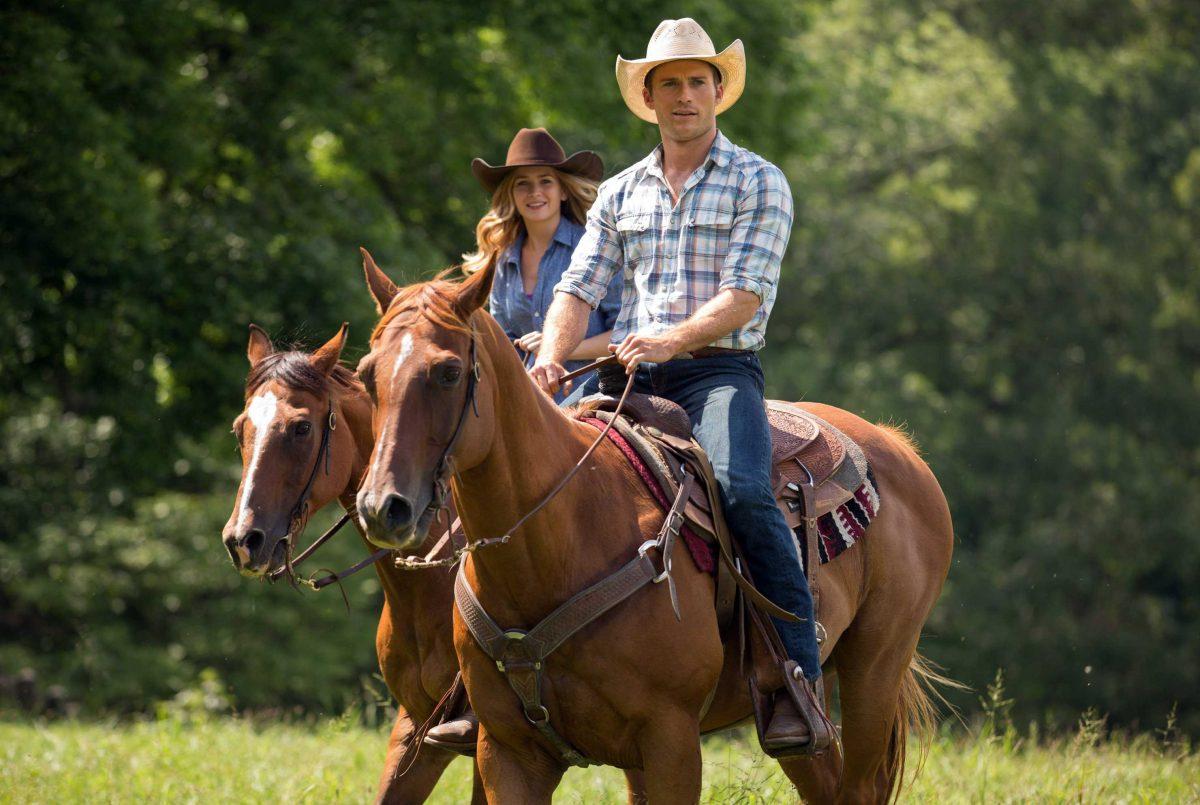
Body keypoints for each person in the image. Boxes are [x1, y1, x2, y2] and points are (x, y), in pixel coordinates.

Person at [530, 18, 827, 753]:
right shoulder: (621, 192)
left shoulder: (760, 180)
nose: (685, 95)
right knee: (520, 472)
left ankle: (796, 676)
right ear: (650, 97)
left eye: (698, 81)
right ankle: (485, 671)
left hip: (717, 372)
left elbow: (745, 294)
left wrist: (673, 335)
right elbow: (577, 284)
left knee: (745, 490)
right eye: (670, 84)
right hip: (624, 373)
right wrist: (550, 357)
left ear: (718, 91)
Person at [465, 127, 622, 401]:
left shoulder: (596, 247)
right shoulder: (503, 260)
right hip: (529, 402)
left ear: (563, 190)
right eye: (522, 183)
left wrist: (557, 349)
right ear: (511, 194)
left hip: (595, 397)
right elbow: (504, 346)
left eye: (546, 181)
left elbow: (625, 334)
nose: (534, 192)